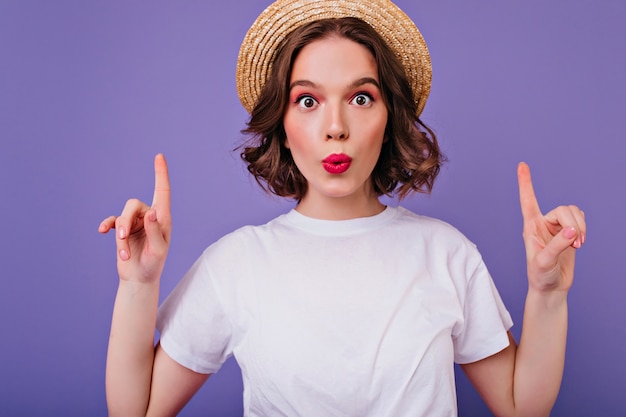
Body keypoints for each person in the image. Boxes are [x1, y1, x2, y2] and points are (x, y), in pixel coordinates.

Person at [99, 0, 586, 416]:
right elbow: (136, 410)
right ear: (283, 127)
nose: (336, 126)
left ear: (388, 118)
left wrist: (548, 295)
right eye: (308, 100)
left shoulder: (446, 252)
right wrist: (138, 284)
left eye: (360, 97)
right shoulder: (236, 263)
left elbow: (523, 407)